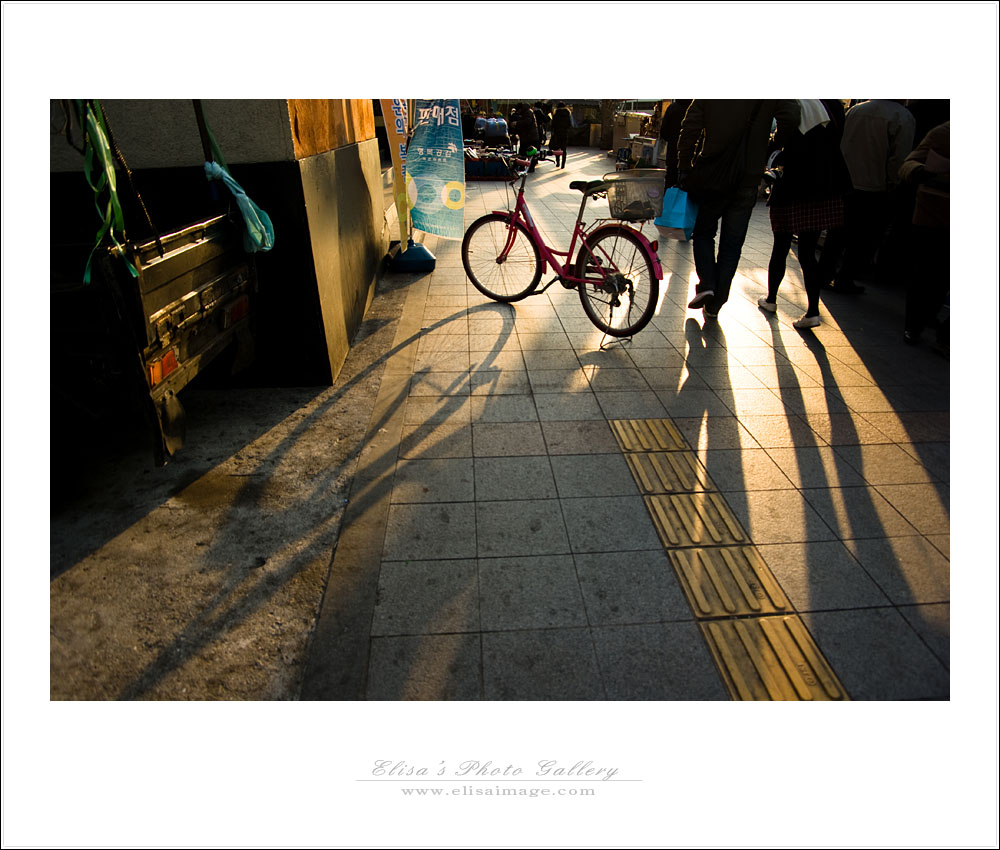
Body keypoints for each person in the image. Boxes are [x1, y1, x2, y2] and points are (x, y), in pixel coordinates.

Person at [677, 99, 800, 319]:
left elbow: (690, 127)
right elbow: (791, 115)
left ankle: (707, 283)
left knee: (704, 232)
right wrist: (771, 146)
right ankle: (717, 302)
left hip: (713, 173)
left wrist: (684, 166)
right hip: (748, 176)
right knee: (732, 244)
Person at [758, 99, 853, 329]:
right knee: (808, 253)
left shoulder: (793, 107)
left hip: (792, 188)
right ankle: (812, 311)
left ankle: (771, 299)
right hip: (824, 190)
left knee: (780, 247)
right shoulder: (831, 109)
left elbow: (780, 142)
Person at [821, 99, 916, 294]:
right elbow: (899, 158)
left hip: (846, 182)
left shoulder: (856, 110)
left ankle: (823, 274)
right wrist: (893, 184)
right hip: (875, 187)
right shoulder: (903, 117)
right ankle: (845, 279)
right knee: (863, 238)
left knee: (837, 233)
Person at [898, 121, 949, 348]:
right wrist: (923, 172)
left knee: (940, 277)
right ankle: (915, 324)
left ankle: (927, 322)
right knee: (925, 273)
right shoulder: (944, 133)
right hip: (931, 213)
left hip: (934, 214)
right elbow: (909, 163)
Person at [657, 99, 691, 187]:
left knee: (670, 182)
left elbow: (664, 132)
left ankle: (669, 195)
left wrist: (673, 140)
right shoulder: (696, 108)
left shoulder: (672, 108)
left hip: (673, 154)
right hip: (691, 157)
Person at [549, 101, 572, 168]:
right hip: (564, 133)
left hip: (557, 134)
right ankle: (563, 165)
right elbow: (569, 124)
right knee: (564, 149)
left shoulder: (556, 115)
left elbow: (552, 125)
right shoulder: (567, 114)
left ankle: (558, 163)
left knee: (557, 149)